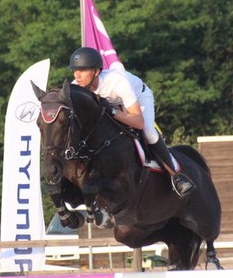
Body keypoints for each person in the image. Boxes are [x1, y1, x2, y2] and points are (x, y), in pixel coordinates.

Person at [67, 47, 195, 199]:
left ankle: (176, 175)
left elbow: (138, 122)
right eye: (75, 70)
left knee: (148, 132)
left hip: (138, 98)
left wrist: (113, 112)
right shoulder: (76, 88)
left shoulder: (117, 83)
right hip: (111, 106)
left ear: (96, 71)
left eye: (82, 70)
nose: (77, 75)